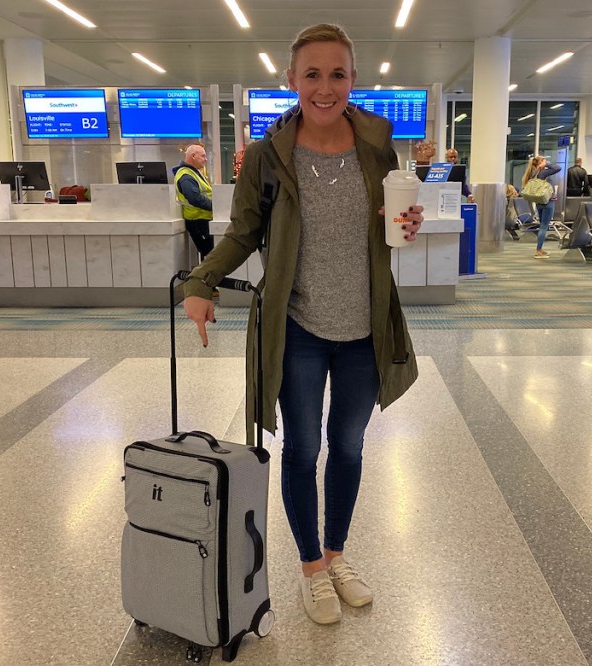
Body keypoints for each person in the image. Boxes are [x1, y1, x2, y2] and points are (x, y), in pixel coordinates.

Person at [181, 23, 422, 625]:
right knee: (304, 446)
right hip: (299, 329)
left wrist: (407, 225)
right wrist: (201, 281)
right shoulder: (268, 156)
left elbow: (390, 223)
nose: (324, 86)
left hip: (368, 327)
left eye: (336, 73)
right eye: (311, 74)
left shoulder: (377, 148)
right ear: (291, 81)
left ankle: (337, 554)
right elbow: (241, 232)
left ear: (353, 80)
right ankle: (311, 568)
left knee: (348, 446)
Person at [172, 144, 215, 260]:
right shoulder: (186, 176)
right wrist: (216, 207)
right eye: (203, 156)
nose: (206, 160)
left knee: (211, 256)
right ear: (193, 156)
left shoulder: (193, 173)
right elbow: (195, 198)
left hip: (203, 220)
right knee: (210, 257)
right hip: (198, 221)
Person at [521, 155, 561, 259]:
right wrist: (546, 165)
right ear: (540, 163)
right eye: (544, 161)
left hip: (539, 203)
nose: (547, 162)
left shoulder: (534, 173)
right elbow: (558, 168)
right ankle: (538, 250)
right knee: (544, 226)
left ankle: (540, 248)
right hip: (548, 202)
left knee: (542, 225)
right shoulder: (543, 172)